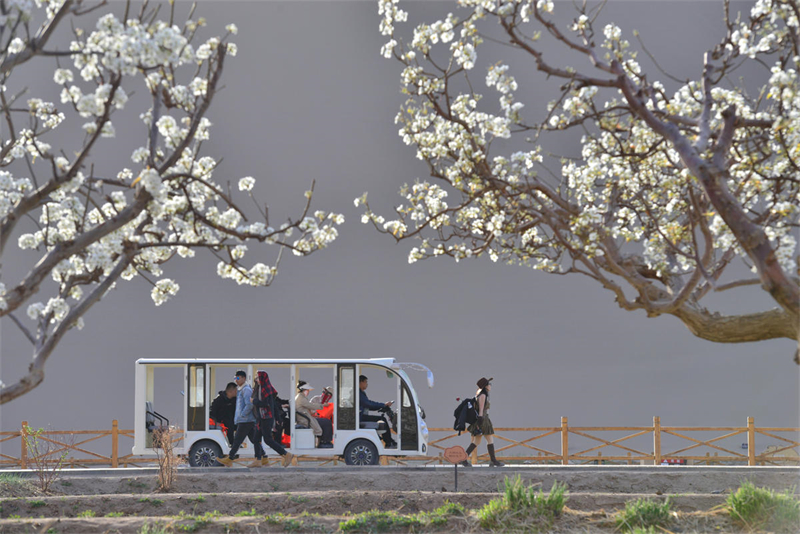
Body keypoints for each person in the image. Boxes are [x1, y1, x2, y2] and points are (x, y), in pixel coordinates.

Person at [218, 370, 265, 468]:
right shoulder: (241, 389)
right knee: (254, 439)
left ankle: (230, 458)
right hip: (245, 420)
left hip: (245, 420)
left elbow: (249, 404)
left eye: (238, 378)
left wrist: (243, 415)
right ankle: (264, 458)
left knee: (237, 440)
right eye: (235, 378)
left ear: (244, 378)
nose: (236, 380)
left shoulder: (246, 390)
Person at [252, 370, 294, 467]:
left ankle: (286, 454)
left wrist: (254, 401)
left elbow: (266, 404)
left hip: (266, 418)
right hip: (260, 418)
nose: (256, 379)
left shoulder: (266, 390)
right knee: (256, 438)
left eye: (258, 377)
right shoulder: (259, 389)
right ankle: (258, 459)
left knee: (268, 439)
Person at [461, 377, 504, 467]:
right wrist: (480, 424)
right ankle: (493, 461)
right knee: (489, 440)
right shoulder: (483, 395)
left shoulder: (481, 394)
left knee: (477, 441)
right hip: (482, 420)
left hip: (483, 419)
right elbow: (481, 410)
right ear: (485, 386)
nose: (490, 386)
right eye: (489, 384)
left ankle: (464, 459)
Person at [359, 375, 396, 448]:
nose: (367, 384)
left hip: (361, 416)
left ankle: (389, 441)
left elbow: (368, 404)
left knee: (382, 419)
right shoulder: (358, 393)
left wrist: (382, 406)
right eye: (365, 382)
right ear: (361, 382)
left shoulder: (360, 393)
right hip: (360, 418)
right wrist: (383, 405)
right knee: (382, 420)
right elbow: (368, 404)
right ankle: (389, 443)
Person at [295, 382, 333, 448]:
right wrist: (322, 405)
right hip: (305, 420)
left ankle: (324, 441)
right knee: (326, 422)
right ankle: (324, 442)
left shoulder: (300, 397)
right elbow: (311, 406)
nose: (308, 392)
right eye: (307, 390)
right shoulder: (301, 398)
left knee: (326, 421)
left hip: (306, 417)